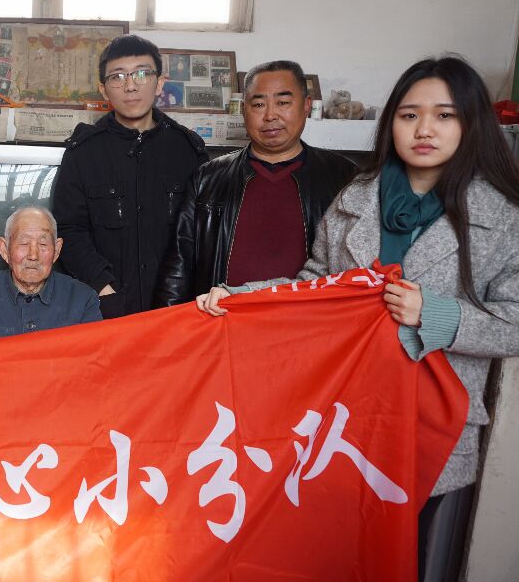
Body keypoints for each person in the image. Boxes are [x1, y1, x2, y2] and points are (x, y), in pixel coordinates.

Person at [197, 56, 519, 581]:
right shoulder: (358, 196)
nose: (425, 130)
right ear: (391, 123)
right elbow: (316, 284)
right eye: (410, 115)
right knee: (331, 557)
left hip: (431, 428)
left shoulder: (501, 214)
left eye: (444, 115)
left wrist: (437, 314)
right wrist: (244, 298)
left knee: (415, 561)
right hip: (346, 421)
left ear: (472, 123)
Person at [154, 60, 356, 306]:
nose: (270, 116)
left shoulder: (345, 177)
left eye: (283, 103)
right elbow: (178, 265)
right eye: (258, 104)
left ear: (306, 105)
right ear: (243, 110)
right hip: (222, 320)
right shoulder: (208, 178)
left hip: (311, 320)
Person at [52, 34, 208, 319]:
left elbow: (201, 234)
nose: (131, 85)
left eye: (142, 74)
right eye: (117, 77)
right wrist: (103, 288)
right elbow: (69, 229)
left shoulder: (188, 150)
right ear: (103, 89)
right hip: (106, 308)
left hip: (177, 308)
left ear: (159, 83)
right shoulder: (83, 152)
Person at [0, 206, 101, 342]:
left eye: (43, 244)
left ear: (57, 250)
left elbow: (95, 360)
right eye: (23, 243)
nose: (33, 255)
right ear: (4, 249)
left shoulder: (83, 300)